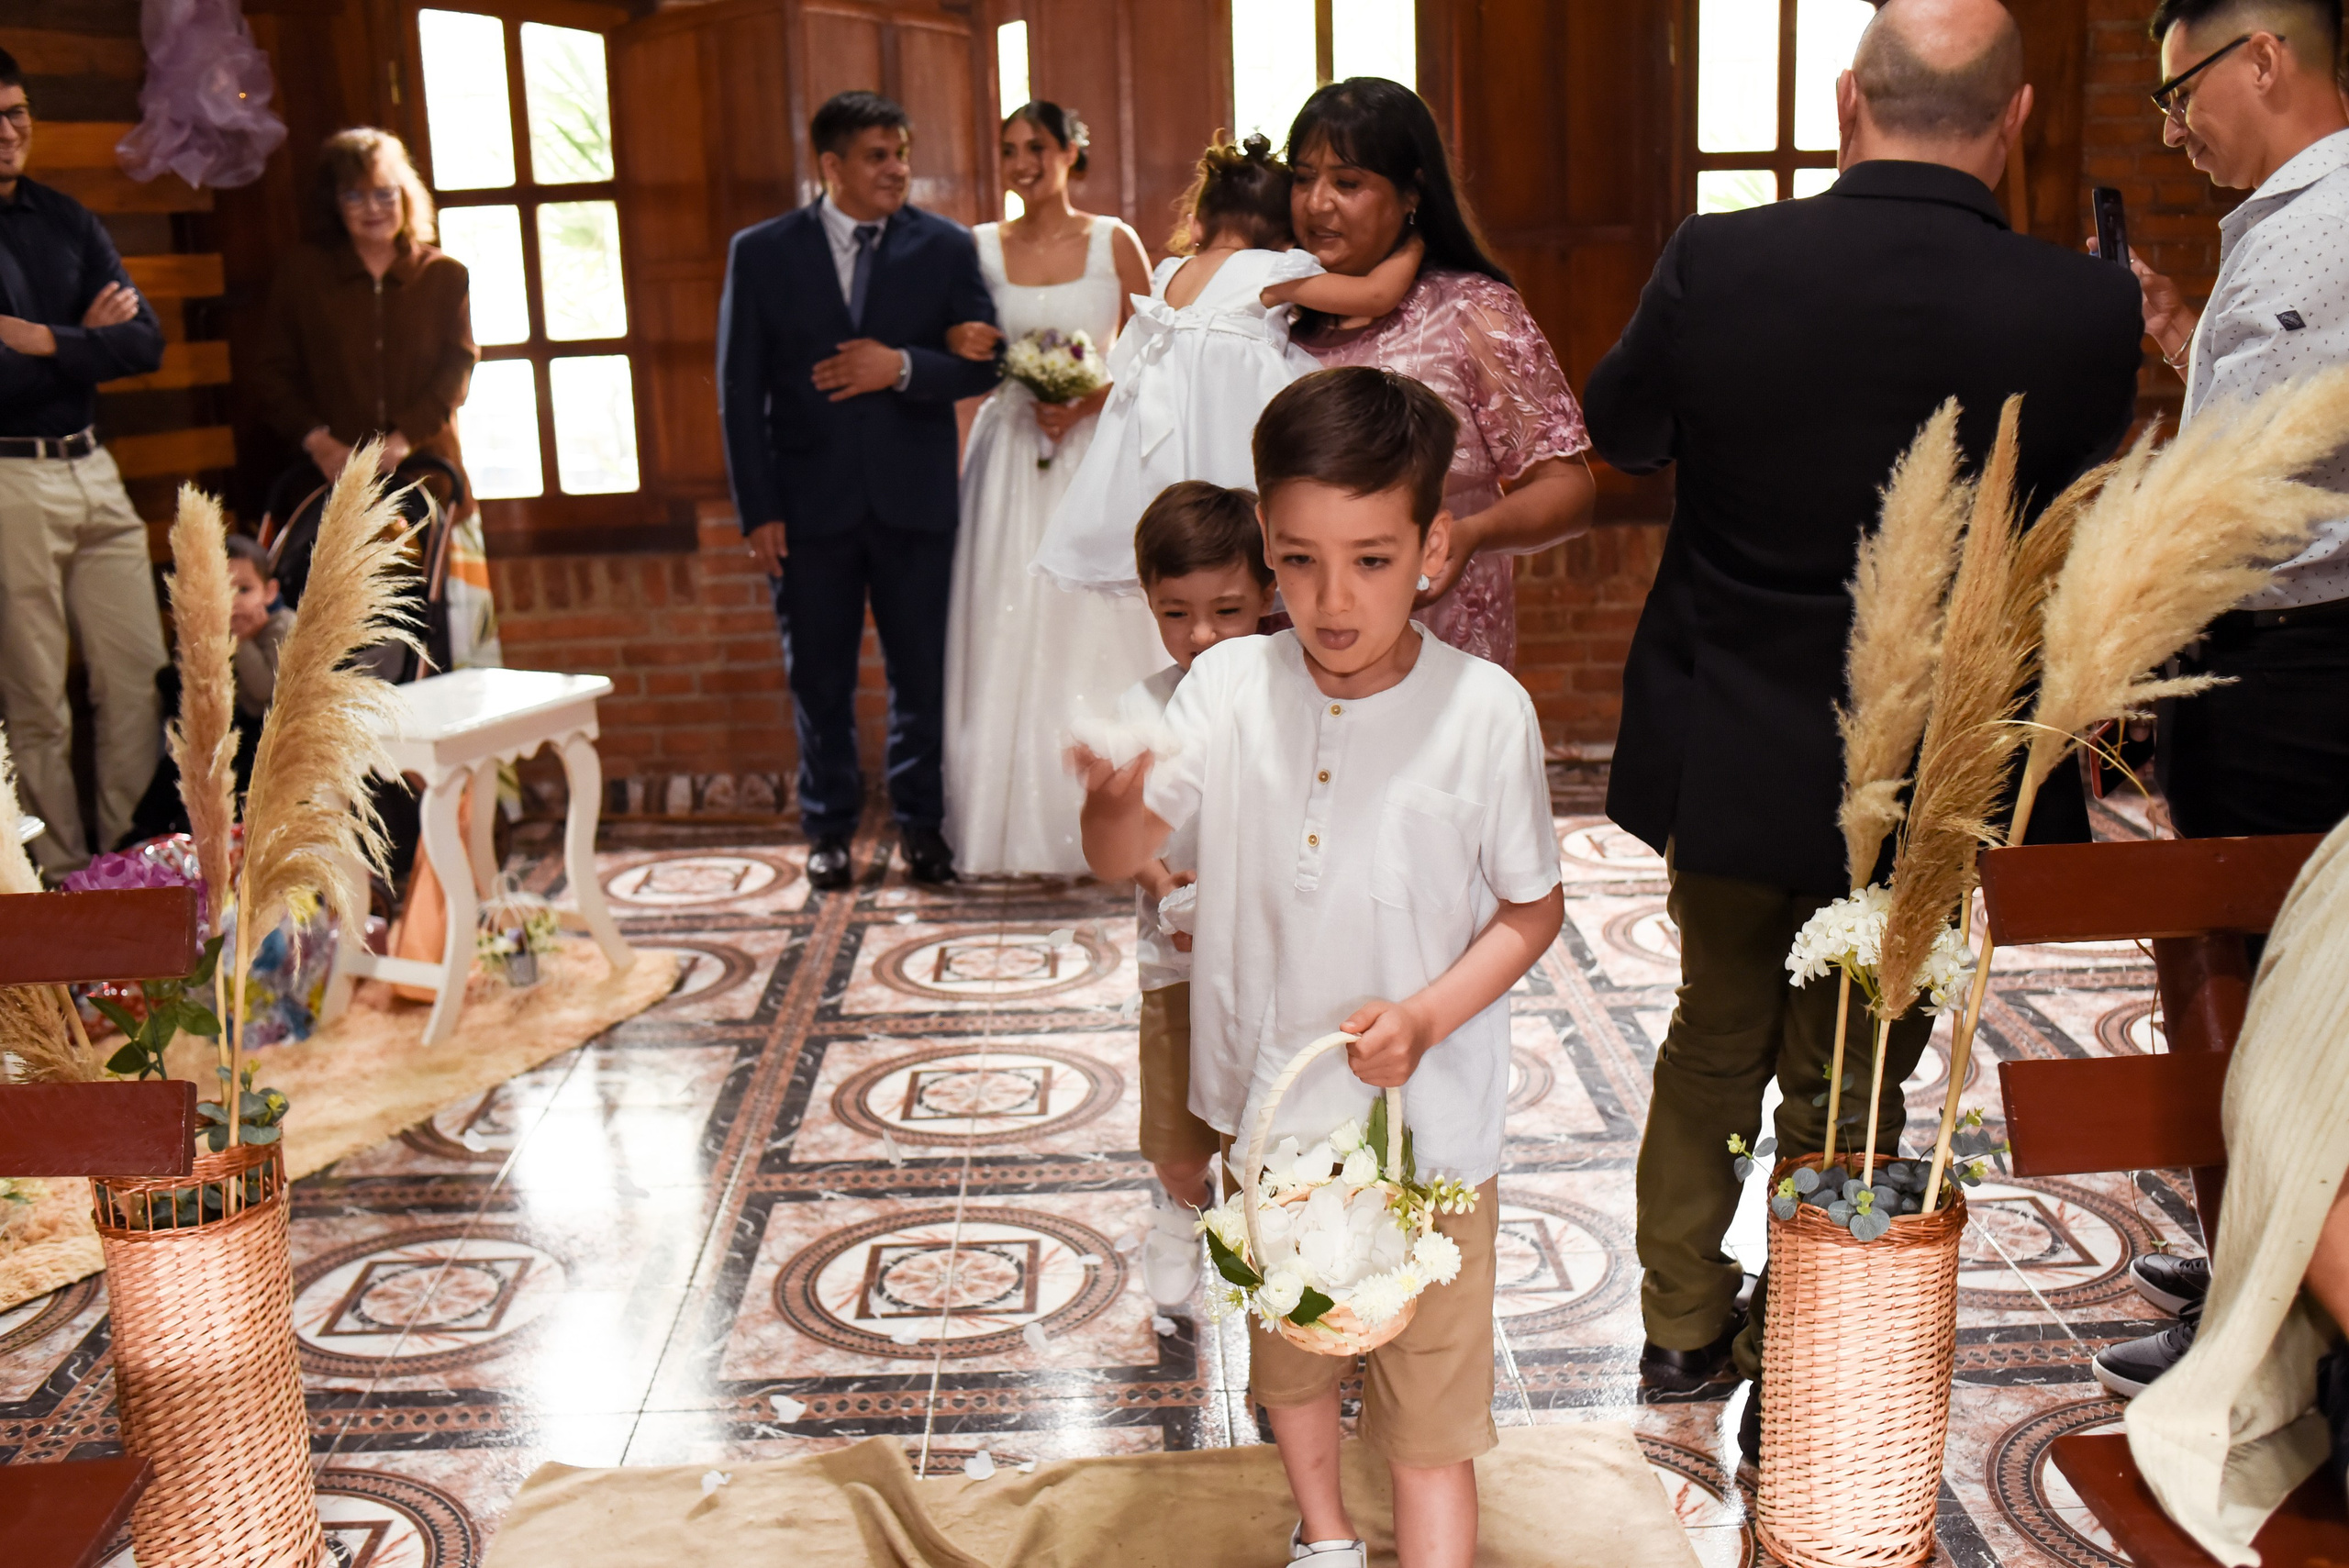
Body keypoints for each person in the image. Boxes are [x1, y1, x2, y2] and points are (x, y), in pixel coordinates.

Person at [1582, 0, 2144, 1441]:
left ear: (1849, 98)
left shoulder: (1721, 257)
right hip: (1933, 771)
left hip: (1730, 735)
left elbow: (1625, 428)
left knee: (1713, 1030)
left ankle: (1679, 1334)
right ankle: (1820, 1320)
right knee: (1859, 1068)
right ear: (2015, 121)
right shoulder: (2085, 302)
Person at [1074, 368, 1565, 1568]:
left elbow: (1531, 910)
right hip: (1277, 1127)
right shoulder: (1229, 687)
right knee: (1290, 1363)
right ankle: (1328, 1535)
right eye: (1297, 562)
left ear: (1434, 546)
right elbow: (1123, 854)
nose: (1332, 600)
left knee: (1431, 1409)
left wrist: (1429, 1014)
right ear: (1267, 547)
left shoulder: (1486, 712)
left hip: (1432, 1139)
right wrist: (1113, 803)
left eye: (1371, 561)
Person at [2092, 0, 2349, 1402]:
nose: (2174, 123)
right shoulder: (2289, 215)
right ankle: (2251, 1245)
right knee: (2216, 958)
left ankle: (2265, 1310)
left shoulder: (2329, 218)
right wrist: (2180, 330)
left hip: (2293, 667)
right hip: (2262, 653)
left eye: (2183, 87)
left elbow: (2266, 490)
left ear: (2268, 57)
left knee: (2258, 983)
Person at [718, 91, 1001, 891]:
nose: (897, 168)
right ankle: (830, 829)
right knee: (820, 676)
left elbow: (985, 360)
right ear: (832, 165)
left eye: (903, 152)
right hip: (807, 511)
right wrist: (760, 509)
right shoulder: (762, 252)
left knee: (922, 675)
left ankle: (921, 826)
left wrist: (902, 366)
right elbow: (739, 389)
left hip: (915, 503)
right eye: (878, 155)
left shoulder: (945, 248)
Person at [1285, 77, 1596, 670]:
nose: (1316, 202)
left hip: (1444, 654)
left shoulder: (1471, 311)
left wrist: (1471, 533)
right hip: (1295, 663)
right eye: (1303, 178)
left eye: (1347, 183)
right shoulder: (1266, 320)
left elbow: (1569, 490)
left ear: (1411, 195)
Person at [1034, 133, 1422, 595]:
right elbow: (1375, 296)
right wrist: (1415, 241)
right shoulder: (1267, 270)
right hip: (1232, 428)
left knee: (1193, 563)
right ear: (1284, 239)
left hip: (1162, 449)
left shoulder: (1171, 274)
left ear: (1197, 225)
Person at [940, 101, 1164, 878]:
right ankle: (1013, 824)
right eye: (1008, 149)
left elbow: (1156, 347)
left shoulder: (1114, 241)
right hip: (1010, 453)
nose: (1022, 161)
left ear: (1073, 152)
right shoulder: (975, 248)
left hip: (1095, 452)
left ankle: (1122, 818)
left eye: (1036, 145)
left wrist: (1096, 398)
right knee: (1008, 620)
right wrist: (968, 345)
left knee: (1094, 621)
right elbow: (960, 339)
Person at [0, 48, 168, 874]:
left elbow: (145, 343)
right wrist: (86, 340)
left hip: (95, 468)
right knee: (39, 701)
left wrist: (41, 337)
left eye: (17, 113)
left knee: (136, 675)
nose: (7, 133)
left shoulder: (66, 218)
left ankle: (128, 868)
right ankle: (66, 884)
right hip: (9, 476)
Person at [1113, 480, 1276, 1307]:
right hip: (1174, 962)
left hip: (1270, 969)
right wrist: (1162, 881)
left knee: (1266, 1132)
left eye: (1228, 611)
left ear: (1269, 592)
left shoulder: (1289, 695)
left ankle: (1270, 1249)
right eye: (1176, 613)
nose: (1202, 635)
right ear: (1149, 599)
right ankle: (1180, 1209)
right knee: (1181, 1143)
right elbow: (1124, 835)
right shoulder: (1143, 705)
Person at [249, 128, 477, 499]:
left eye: (384, 193)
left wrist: (403, 440)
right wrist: (320, 444)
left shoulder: (446, 275)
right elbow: (272, 372)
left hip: (429, 472)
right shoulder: (300, 274)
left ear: (404, 195)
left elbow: (458, 367)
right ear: (334, 204)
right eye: (353, 195)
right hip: (327, 479)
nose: (372, 208)